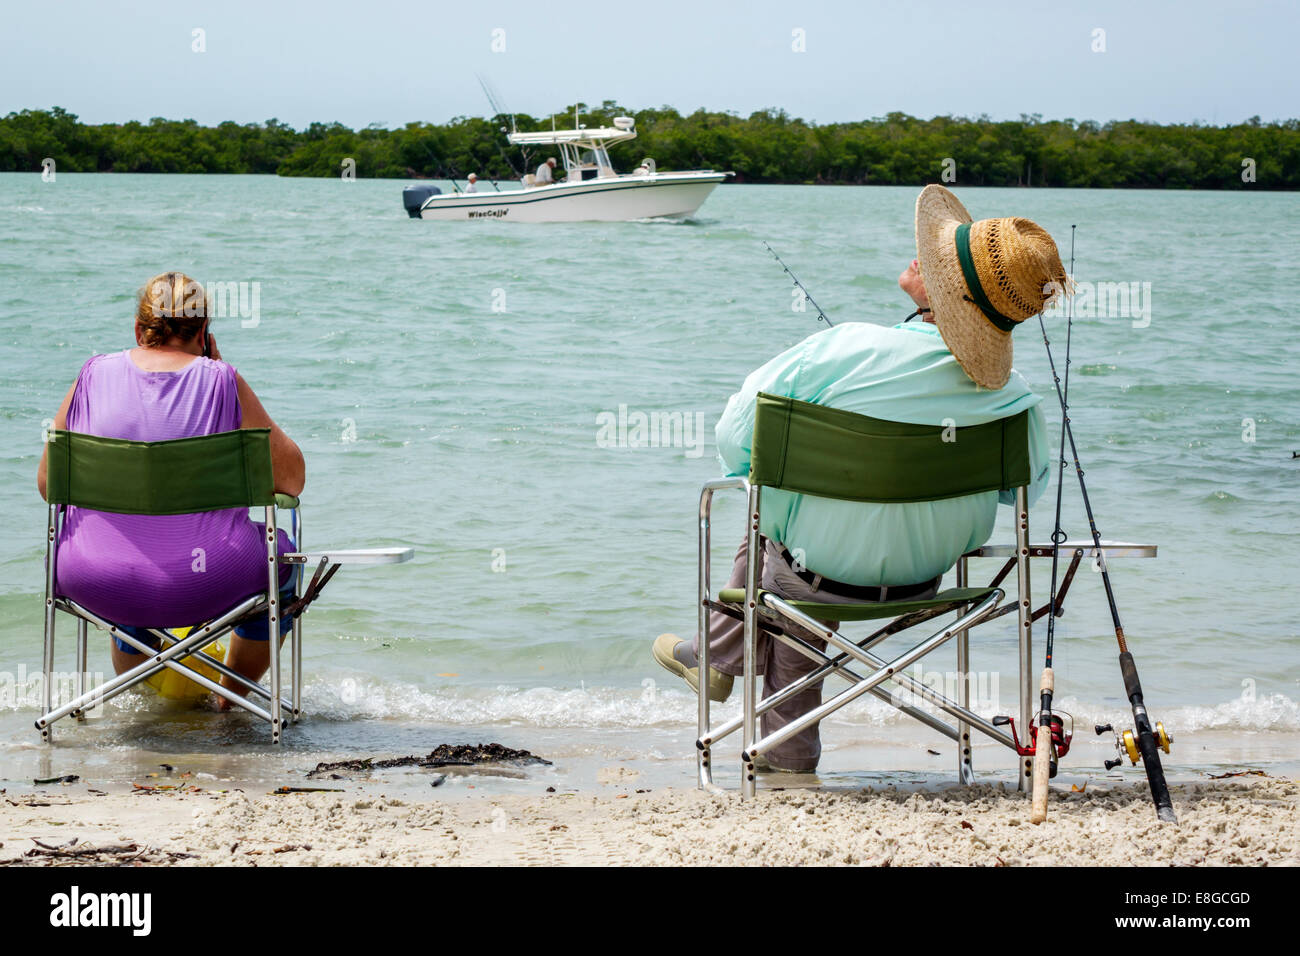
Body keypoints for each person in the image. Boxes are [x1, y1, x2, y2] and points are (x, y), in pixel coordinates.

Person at [652, 185, 1064, 773]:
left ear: (951, 294)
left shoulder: (843, 349)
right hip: (927, 583)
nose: (922, 254)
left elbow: (733, 437)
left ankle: (731, 676)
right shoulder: (1015, 401)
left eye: (940, 259)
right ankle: (746, 697)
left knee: (776, 542)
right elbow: (1023, 490)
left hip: (812, 579)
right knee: (787, 547)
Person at [36, 272, 306, 706]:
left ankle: (151, 698)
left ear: (140, 330)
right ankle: (231, 700)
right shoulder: (222, 380)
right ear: (203, 332)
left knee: (124, 553)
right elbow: (292, 479)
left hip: (95, 576)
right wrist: (218, 373)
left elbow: (49, 486)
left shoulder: (90, 376)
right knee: (285, 561)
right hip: (207, 579)